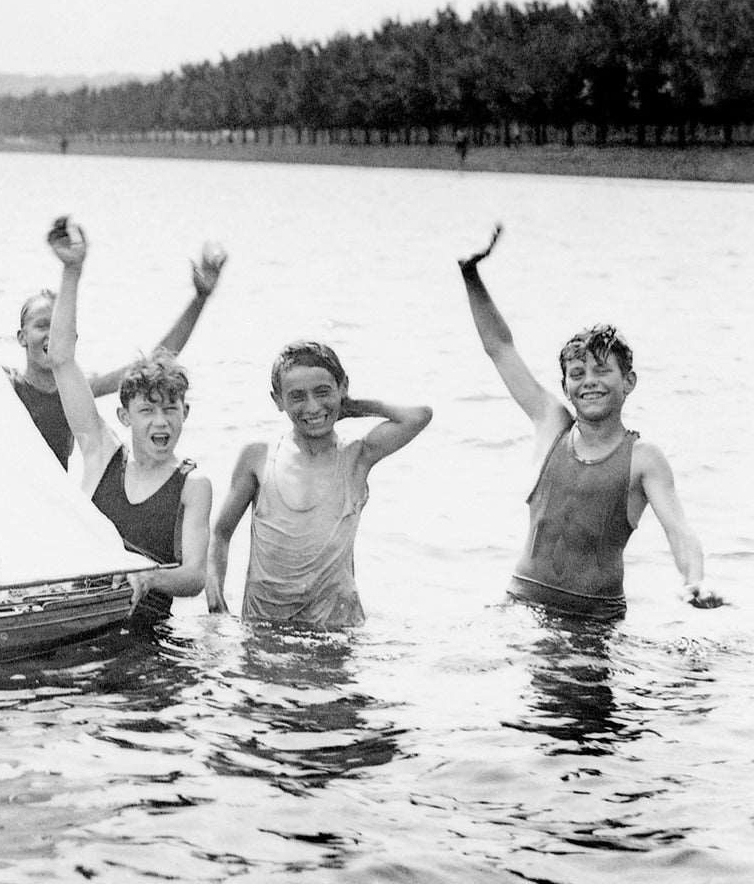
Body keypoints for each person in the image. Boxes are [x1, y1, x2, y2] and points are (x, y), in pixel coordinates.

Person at [457, 222, 717, 614]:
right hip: (522, 606)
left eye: (601, 372)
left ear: (628, 381)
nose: (589, 383)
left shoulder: (644, 458)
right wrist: (471, 275)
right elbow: (499, 347)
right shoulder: (551, 425)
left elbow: (679, 532)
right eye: (577, 375)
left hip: (595, 620)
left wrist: (694, 580)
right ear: (565, 386)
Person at [43, 217, 212, 626]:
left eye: (171, 409)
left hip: (145, 635)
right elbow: (62, 358)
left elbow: (193, 576)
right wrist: (72, 271)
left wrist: (147, 576)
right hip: (72, 622)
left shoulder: (193, 486)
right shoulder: (101, 453)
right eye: (148, 411)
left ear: (185, 414)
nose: (161, 422)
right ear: (124, 417)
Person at [206, 343, 432, 627]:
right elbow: (220, 533)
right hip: (264, 623)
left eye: (323, 392)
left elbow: (419, 416)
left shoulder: (357, 457)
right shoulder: (259, 457)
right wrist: (217, 606)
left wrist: (351, 406)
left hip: (336, 624)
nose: (312, 407)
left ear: (342, 386)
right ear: (278, 400)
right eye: (297, 397)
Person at [9, 240, 229, 467]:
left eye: (57, 327)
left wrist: (200, 299)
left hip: (53, 499)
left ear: (71, 336)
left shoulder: (80, 390)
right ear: (22, 337)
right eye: (42, 326)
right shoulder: (4, 385)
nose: (52, 335)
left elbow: (159, 359)